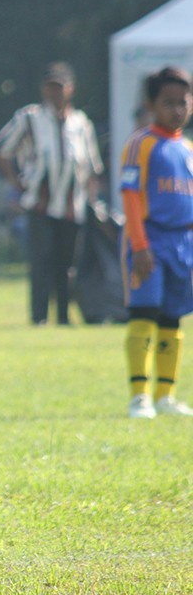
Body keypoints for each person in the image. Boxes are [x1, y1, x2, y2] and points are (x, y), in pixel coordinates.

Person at [0, 62, 104, 326]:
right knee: (41, 260)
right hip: (39, 203)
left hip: (72, 205)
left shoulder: (80, 123)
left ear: (70, 89)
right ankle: (39, 316)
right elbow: (1, 149)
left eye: (59, 87)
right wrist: (16, 183)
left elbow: (92, 166)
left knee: (67, 265)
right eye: (49, 87)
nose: (54, 93)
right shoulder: (29, 118)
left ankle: (64, 316)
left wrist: (92, 200)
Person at [118, 66, 193, 419]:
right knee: (144, 312)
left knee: (172, 318)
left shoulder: (187, 149)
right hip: (150, 239)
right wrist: (140, 245)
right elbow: (131, 196)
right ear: (151, 104)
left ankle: (165, 395)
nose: (177, 109)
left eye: (183, 101)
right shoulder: (142, 143)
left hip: (183, 243)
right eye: (168, 102)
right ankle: (139, 396)